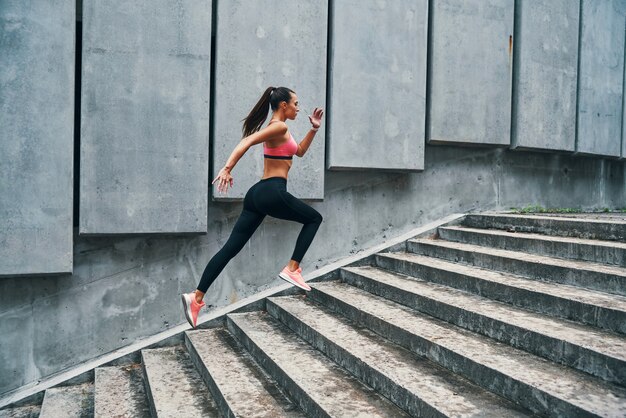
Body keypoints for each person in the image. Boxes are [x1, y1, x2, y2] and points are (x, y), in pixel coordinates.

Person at [181, 86, 324, 328]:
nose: (299, 108)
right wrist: (227, 168)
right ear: (283, 106)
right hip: (273, 191)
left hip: (257, 194)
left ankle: (196, 298)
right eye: (296, 104)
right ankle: (293, 268)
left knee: (230, 248)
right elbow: (247, 141)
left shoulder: (281, 131)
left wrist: (313, 129)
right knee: (314, 219)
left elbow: (298, 152)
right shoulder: (279, 126)